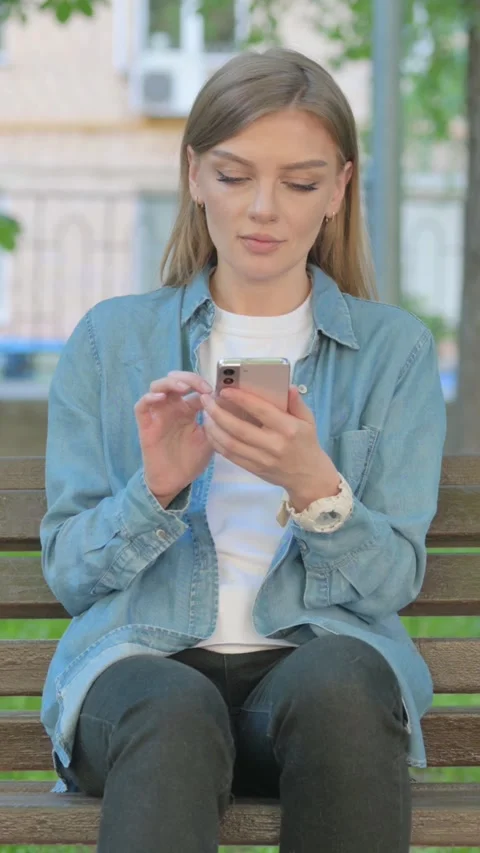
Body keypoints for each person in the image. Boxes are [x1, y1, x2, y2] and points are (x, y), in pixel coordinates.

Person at [40, 47, 446, 853]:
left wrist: (316, 489)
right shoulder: (110, 339)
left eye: (299, 182)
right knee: (172, 705)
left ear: (338, 189)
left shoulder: (393, 353)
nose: (264, 208)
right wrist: (153, 492)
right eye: (233, 176)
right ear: (193, 175)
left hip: (310, 678)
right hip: (138, 669)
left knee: (343, 680)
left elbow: (393, 578)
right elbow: (69, 570)